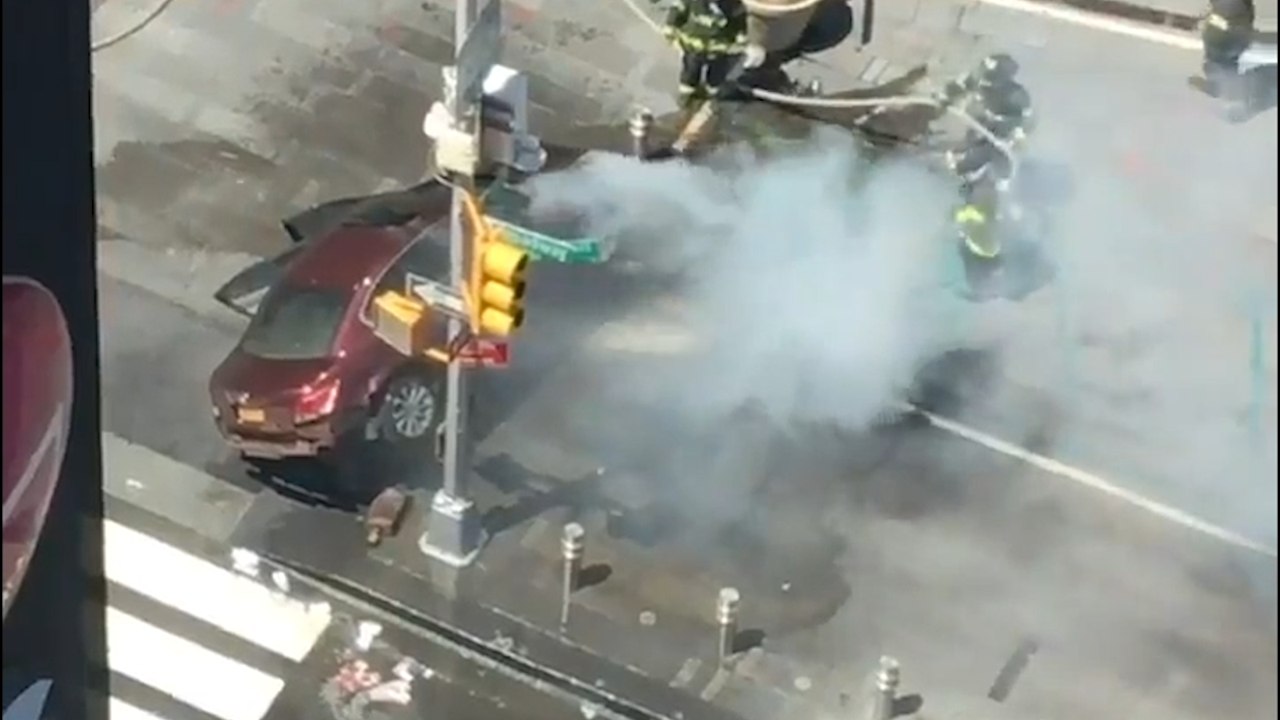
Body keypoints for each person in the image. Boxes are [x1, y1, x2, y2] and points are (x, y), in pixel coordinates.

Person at [664, 0, 749, 107]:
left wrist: (741, 37)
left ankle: (712, 92)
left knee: (717, 74)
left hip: (719, 48)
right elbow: (678, 9)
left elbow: (739, 19)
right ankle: (687, 92)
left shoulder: (732, 4)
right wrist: (670, 27)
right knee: (691, 70)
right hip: (693, 45)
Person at [1188, 0, 1257, 118]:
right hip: (1236, 36)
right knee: (1227, 61)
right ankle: (1233, 96)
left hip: (1227, 37)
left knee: (1220, 58)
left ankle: (1230, 94)